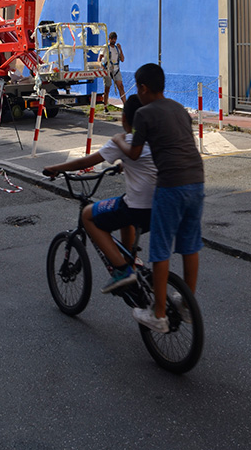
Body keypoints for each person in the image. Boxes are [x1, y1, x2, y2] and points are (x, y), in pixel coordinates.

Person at [113, 62, 204, 334]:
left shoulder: (144, 114)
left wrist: (119, 141)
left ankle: (159, 313)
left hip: (171, 185)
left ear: (143, 87)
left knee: (160, 250)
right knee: (190, 245)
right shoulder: (179, 109)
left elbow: (134, 153)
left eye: (137, 89)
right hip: (196, 181)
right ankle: (188, 304)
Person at [42, 95, 157, 293]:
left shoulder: (123, 140)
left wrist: (56, 167)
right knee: (123, 206)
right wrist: (124, 164)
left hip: (139, 209)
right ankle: (130, 259)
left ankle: (123, 270)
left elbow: (85, 162)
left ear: (124, 119)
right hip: (163, 208)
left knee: (88, 215)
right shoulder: (156, 138)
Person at [100, 31, 126, 112]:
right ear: (109, 39)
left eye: (115, 39)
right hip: (107, 70)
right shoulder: (105, 47)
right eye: (112, 39)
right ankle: (105, 107)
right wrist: (101, 67)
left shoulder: (117, 48)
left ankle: (126, 106)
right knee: (107, 88)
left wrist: (120, 49)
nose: (114, 41)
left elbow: (122, 59)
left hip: (116, 70)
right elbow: (100, 57)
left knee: (121, 86)